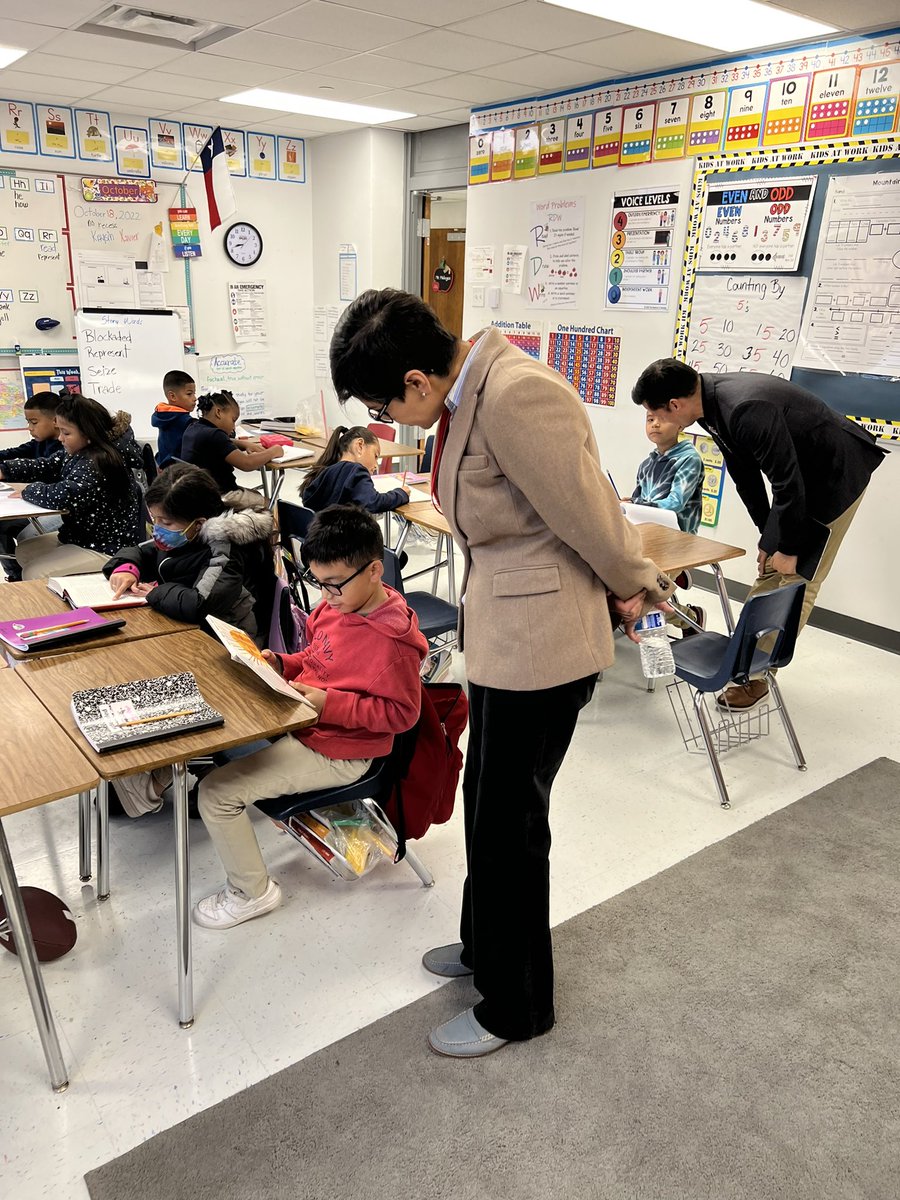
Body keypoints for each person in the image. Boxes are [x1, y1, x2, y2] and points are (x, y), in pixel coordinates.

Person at [330, 289, 673, 1059]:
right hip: (505, 636)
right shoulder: (469, 389)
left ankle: (517, 1007)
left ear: (417, 381)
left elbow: (594, 516)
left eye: (387, 404)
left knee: (511, 829)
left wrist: (639, 582)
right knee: (485, 801)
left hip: (544, 645)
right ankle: (486, 947)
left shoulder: (517, 395)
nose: (389, 420)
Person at [193, 505, 428, 930]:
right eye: (318, 583)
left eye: (334, 585)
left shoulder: (392, 644)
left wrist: (327, 704)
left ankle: (252, 894)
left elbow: (403, 715)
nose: (325, 597)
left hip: (341, 751)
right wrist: (282, 664)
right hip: (309, 724)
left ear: (375, 570)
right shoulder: (339, 606)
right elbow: (318, 659)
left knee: (215, 794)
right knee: (222, 737)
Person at [631, 358, 886, 709]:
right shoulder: (708, 407)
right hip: (800, 480)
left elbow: (786, 484)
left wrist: (790, 547)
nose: (657, 421)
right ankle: (744, 660)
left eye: (655, 412)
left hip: (836, 475)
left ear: (675, 405)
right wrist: (767, 539)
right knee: (769, 570)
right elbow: (745, 475)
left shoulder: (744, 408)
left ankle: (758, 676)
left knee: (799, 580)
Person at [101, 463, 277, 819]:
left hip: (225, 649)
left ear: (200, 521)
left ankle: (165, 769)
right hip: (191, 635)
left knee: (145, 675)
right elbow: (148, 549)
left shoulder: (226, 545)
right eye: (155, 520)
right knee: (124, 666)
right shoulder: (190, 533)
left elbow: (200, 603)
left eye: (166, 523)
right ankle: (152, 767)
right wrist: (126, 567)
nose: (159, 530)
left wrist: (155, 591)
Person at [0, 394, 142, 579]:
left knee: (34, 572)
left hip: (106, 547)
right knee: (24, 551)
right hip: (80, 537)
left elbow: (65, 495)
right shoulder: (79, 450)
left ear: (88, 433)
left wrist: (29, 490)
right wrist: (5, 470)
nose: (60, 438)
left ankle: (58, 605)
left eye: (66, 433)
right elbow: (46, 465)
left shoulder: (101, 461)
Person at [631, 397, 706, 634]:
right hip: (648, 537)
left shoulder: (689, 459)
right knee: (624, 584)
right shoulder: (647, 464)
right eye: (650, 419)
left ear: (680, 424)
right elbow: (637, 500)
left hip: (677, 540)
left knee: (647, 596)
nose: (654, 425)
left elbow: (674, 504)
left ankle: (691, 619)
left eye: (662, 420)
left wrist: (637, 503)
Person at [0, 390, 63, 574]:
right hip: (41, 504)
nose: (29, 428)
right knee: (3, 525)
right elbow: (12, 455)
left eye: (34, 422)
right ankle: (16, 575)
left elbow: (41, 468)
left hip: (59, 507)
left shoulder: (68, 449)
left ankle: (32, 573)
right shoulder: (39, 443)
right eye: (28, 422)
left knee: (28, 538)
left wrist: (9, 471)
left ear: (56, 420)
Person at [181, 390, 284, 498]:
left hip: (198, 494)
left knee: (256, 495)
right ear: (218, 412)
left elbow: (221, 442)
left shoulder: (194, 428)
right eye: (233, 420)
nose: (234, 427)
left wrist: (244, 444)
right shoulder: (216, 435)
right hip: (220, 496)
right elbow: (247, 463)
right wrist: (273, 451)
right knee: (268, 503)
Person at [300, 425, 410, 513]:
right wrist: (401, 493)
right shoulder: (355, 470)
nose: (376, 465)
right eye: (375, 456)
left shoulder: (325, 471)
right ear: (360, 445)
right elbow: (374, 503)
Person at [153, 370, 196, 468]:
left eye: (194, 393)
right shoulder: (185, 421)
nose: (195, 398)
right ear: (172, 396)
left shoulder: (164, 415)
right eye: (189, 394)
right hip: (179, 471)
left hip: (165, 468)